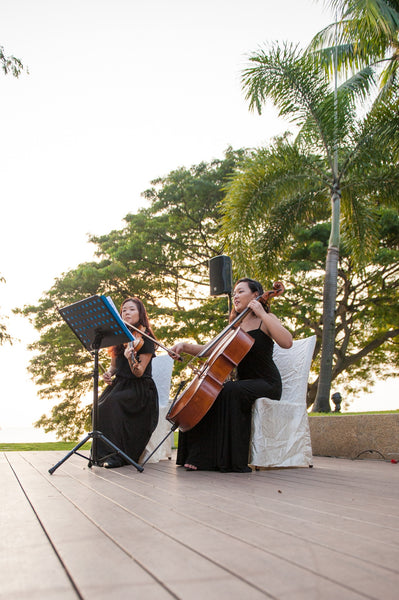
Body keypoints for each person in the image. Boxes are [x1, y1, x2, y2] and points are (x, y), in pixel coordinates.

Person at [171, 277, 293, 472]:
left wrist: (262, 312)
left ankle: (226, 460)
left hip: (267, 383)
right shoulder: (234, 326)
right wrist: (183, 346)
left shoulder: (265, 321)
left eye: (241, 291)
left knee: (228, 390)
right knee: (207, 394)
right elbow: (208, 350)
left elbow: (287, 342)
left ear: (255, 295)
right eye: (234, 292)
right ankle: (199, 455)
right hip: (242, 385)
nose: (235, 295)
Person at [96, 297, 159, 468]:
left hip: (140, 389)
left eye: (132, 309)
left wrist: (131, 357)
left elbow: (139, 372)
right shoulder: (119, 338)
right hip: (121, 384)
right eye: (124, 310)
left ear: (140, 313)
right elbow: (114, 367)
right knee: (100, 405)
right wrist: (108, 374)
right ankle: (102, 455)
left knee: (114, 403)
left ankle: (118, 456)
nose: (127, 313)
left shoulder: (146, 340)